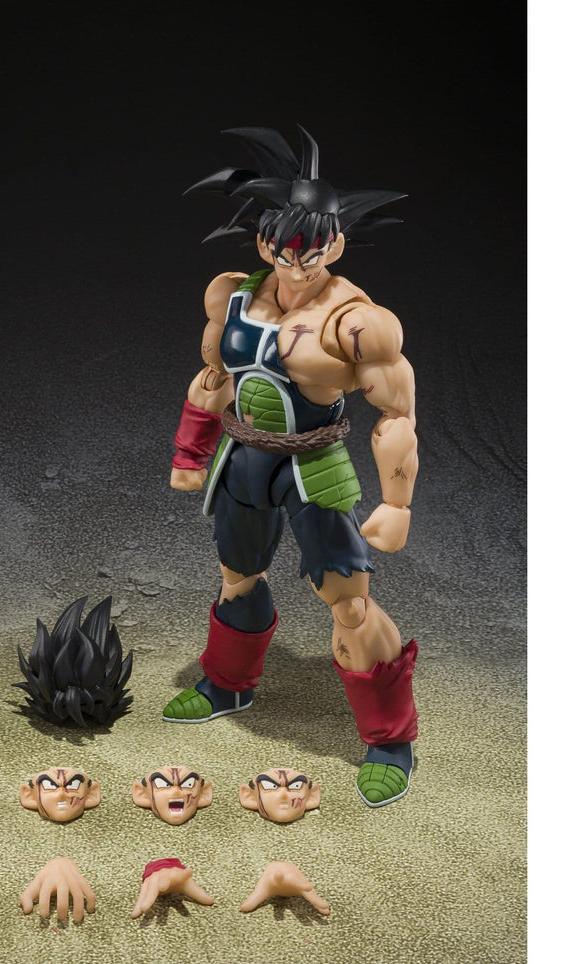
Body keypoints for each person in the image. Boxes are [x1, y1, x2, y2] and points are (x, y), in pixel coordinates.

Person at [166, 126, 418, 808]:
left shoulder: (357, 322)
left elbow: (396, 412)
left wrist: (396, 503)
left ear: (335, 243)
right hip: (245, 457)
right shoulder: (231, 296)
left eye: (313, 245)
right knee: (237, 576)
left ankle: (390, 738)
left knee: (350, 603)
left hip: (314, 464)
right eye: (283, 243)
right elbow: (213, 379)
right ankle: (229, 684)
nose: (297, 259)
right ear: (262, 240)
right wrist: (191, 451)